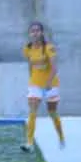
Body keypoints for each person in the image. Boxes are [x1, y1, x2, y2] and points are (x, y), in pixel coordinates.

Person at [21, 21, 64, 152]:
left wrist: (49, 82)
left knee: (52, 113)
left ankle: (61, 137)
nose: (35, 33)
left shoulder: (49, 48)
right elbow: (30, 65)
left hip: (51, 85)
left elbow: (54, 67)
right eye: (32, 31)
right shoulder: (27, 49)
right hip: (35, 84)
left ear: (42, 33)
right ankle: (29, 142)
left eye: (37, 30)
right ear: (29, 34)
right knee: (32, 111)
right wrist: (31, 79)